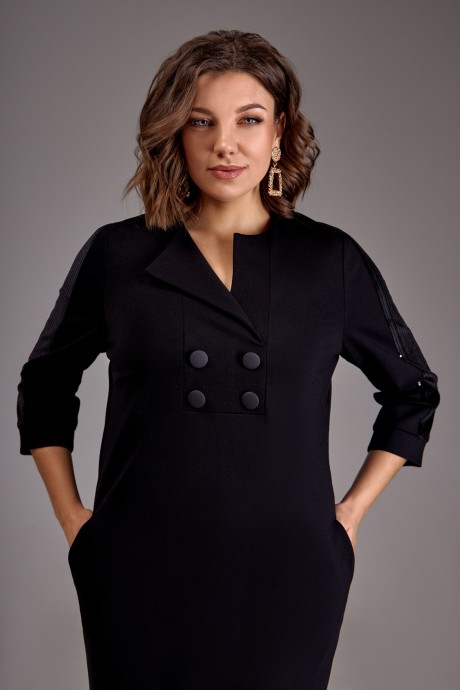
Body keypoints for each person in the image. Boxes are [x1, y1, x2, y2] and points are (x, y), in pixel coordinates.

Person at [16, 29, 440, 690]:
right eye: (201, 121)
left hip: (289, 572)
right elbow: (44, 384)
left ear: (280, 133)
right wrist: (75, 523)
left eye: (249, 120)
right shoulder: (118, 255)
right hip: (138, 571)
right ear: (174, 133)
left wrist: (348, 515)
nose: (225, 144)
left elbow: (413, 389)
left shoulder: (328, 261)